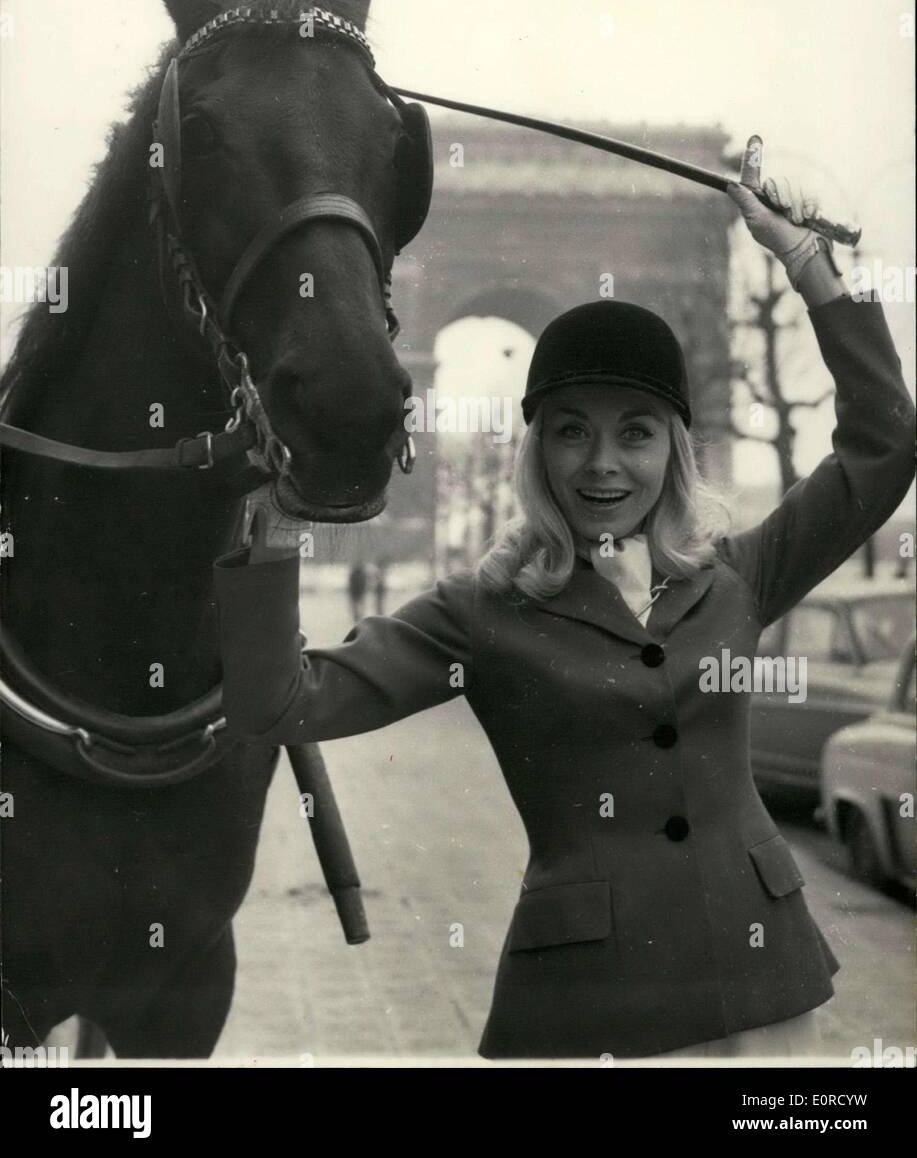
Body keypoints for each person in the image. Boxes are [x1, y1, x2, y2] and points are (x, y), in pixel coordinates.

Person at [212, 141, 915, 1061]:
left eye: (635, 433)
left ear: (675, 450)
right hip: (591, 1009)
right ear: (535, 451)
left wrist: (807, 264)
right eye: (570, 432)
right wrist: (268, 517)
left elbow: (885, 442)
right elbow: (281, 704)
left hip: (761, 987)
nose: (602, 464)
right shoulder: (483, 611)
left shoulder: (737, 574)